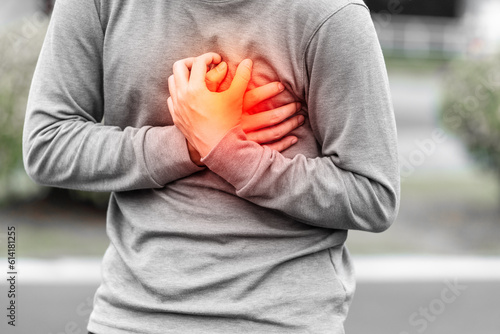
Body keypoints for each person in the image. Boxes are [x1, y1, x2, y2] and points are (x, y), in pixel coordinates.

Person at [23, 0, 400, 333]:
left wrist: (230, 152)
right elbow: (47, 144)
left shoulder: (330, 15)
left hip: (281, 323)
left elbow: (372, 194)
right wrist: (190, 142)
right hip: (131, 319)